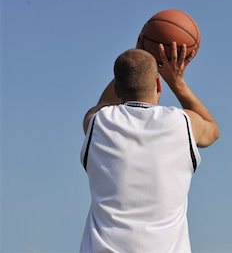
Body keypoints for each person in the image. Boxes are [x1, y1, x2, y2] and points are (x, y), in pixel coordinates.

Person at [80, 42, 220, 253]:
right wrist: (177, 82)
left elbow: (101, 105)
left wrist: (139, 52)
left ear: (117, 88)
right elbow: (212, 130)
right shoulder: (180, 123)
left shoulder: (98, 123)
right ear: (158, 84)